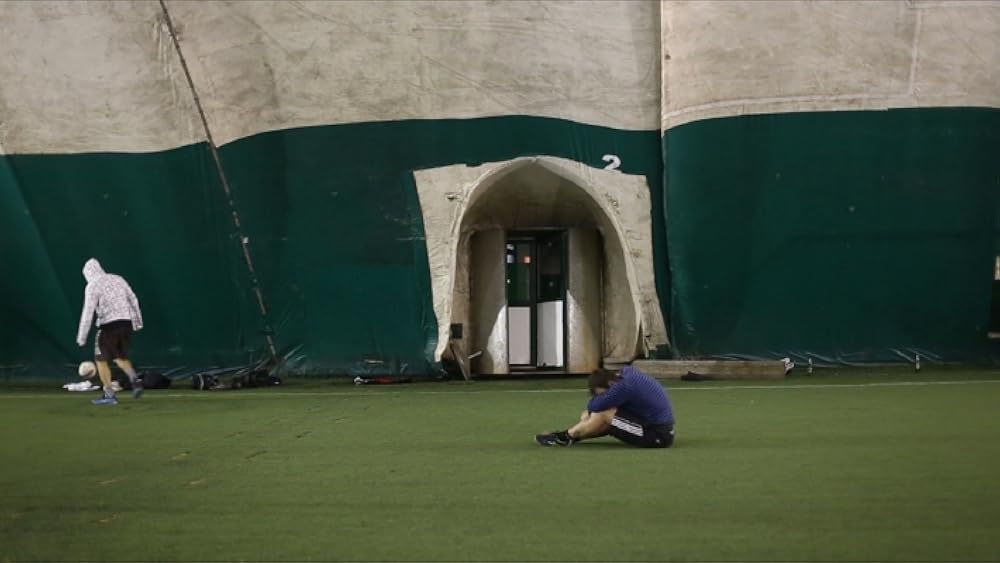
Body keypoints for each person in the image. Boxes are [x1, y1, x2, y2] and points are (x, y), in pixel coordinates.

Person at [535, 366, 675, 448]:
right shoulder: (626, 372)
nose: (604, 396)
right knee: (604, 414)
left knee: (603, 414)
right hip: (653, 425)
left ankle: (564, 437)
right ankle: (571, 436)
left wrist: (588, 413)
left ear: (610, 384)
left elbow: (594, 406)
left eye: (602, 394)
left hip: (657, 436)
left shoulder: (623, 387)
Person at [76, 258, 144, 405]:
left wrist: (82, 336)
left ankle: (109, 395)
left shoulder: (92, 286)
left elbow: (87, 312)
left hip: (109, 326)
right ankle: (135, 380)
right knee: (119, 356)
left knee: (100, 359)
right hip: (126, 323)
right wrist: (137, 321)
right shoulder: (118, 279)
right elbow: (133, 299)